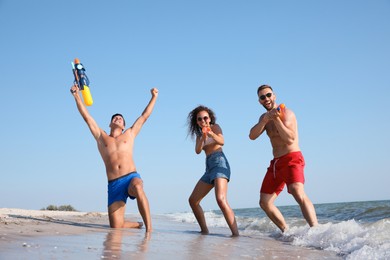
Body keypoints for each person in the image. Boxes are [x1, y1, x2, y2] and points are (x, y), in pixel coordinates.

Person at [70, 84, 158, 232]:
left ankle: (149, 229)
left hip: (131, 177)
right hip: (114, 184)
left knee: (138, 186)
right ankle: (138, 224)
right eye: (115, 118)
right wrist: (76, 96)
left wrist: (154, 97)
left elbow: (144, 116)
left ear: (123, 125)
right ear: (110, 124)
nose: (118, 118)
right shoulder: (101, 137)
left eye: (121, 118)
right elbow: (87, 117)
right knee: (116, 226)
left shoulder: (129, 134)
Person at [249, 84, 318, 232]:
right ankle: (286, 231)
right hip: (276, 163)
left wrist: (276, 119)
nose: (266, 99)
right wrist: (265, 120)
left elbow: (289, 139)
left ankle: (316, 230)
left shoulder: (288, 113)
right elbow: (252, 136)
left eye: (268, 95)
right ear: (259, 101)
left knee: (297, 191)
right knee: (265, 202)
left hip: (292, 158)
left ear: (274, 96)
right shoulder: (263, 118)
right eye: (262, 97)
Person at [187, 105, 239, 237]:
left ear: (210, 119)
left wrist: (211, 133)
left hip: (220, 162)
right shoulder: (199, 136)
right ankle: (204, 231)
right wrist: (203, 137)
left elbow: (222, 141)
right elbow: (198, 151)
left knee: (221, 199)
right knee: (193, 200)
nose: (203, 121)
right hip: (209, 167)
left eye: (205, 118)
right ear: (197, 122)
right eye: (200, 119)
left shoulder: (215, 127)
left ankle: (235, 234)